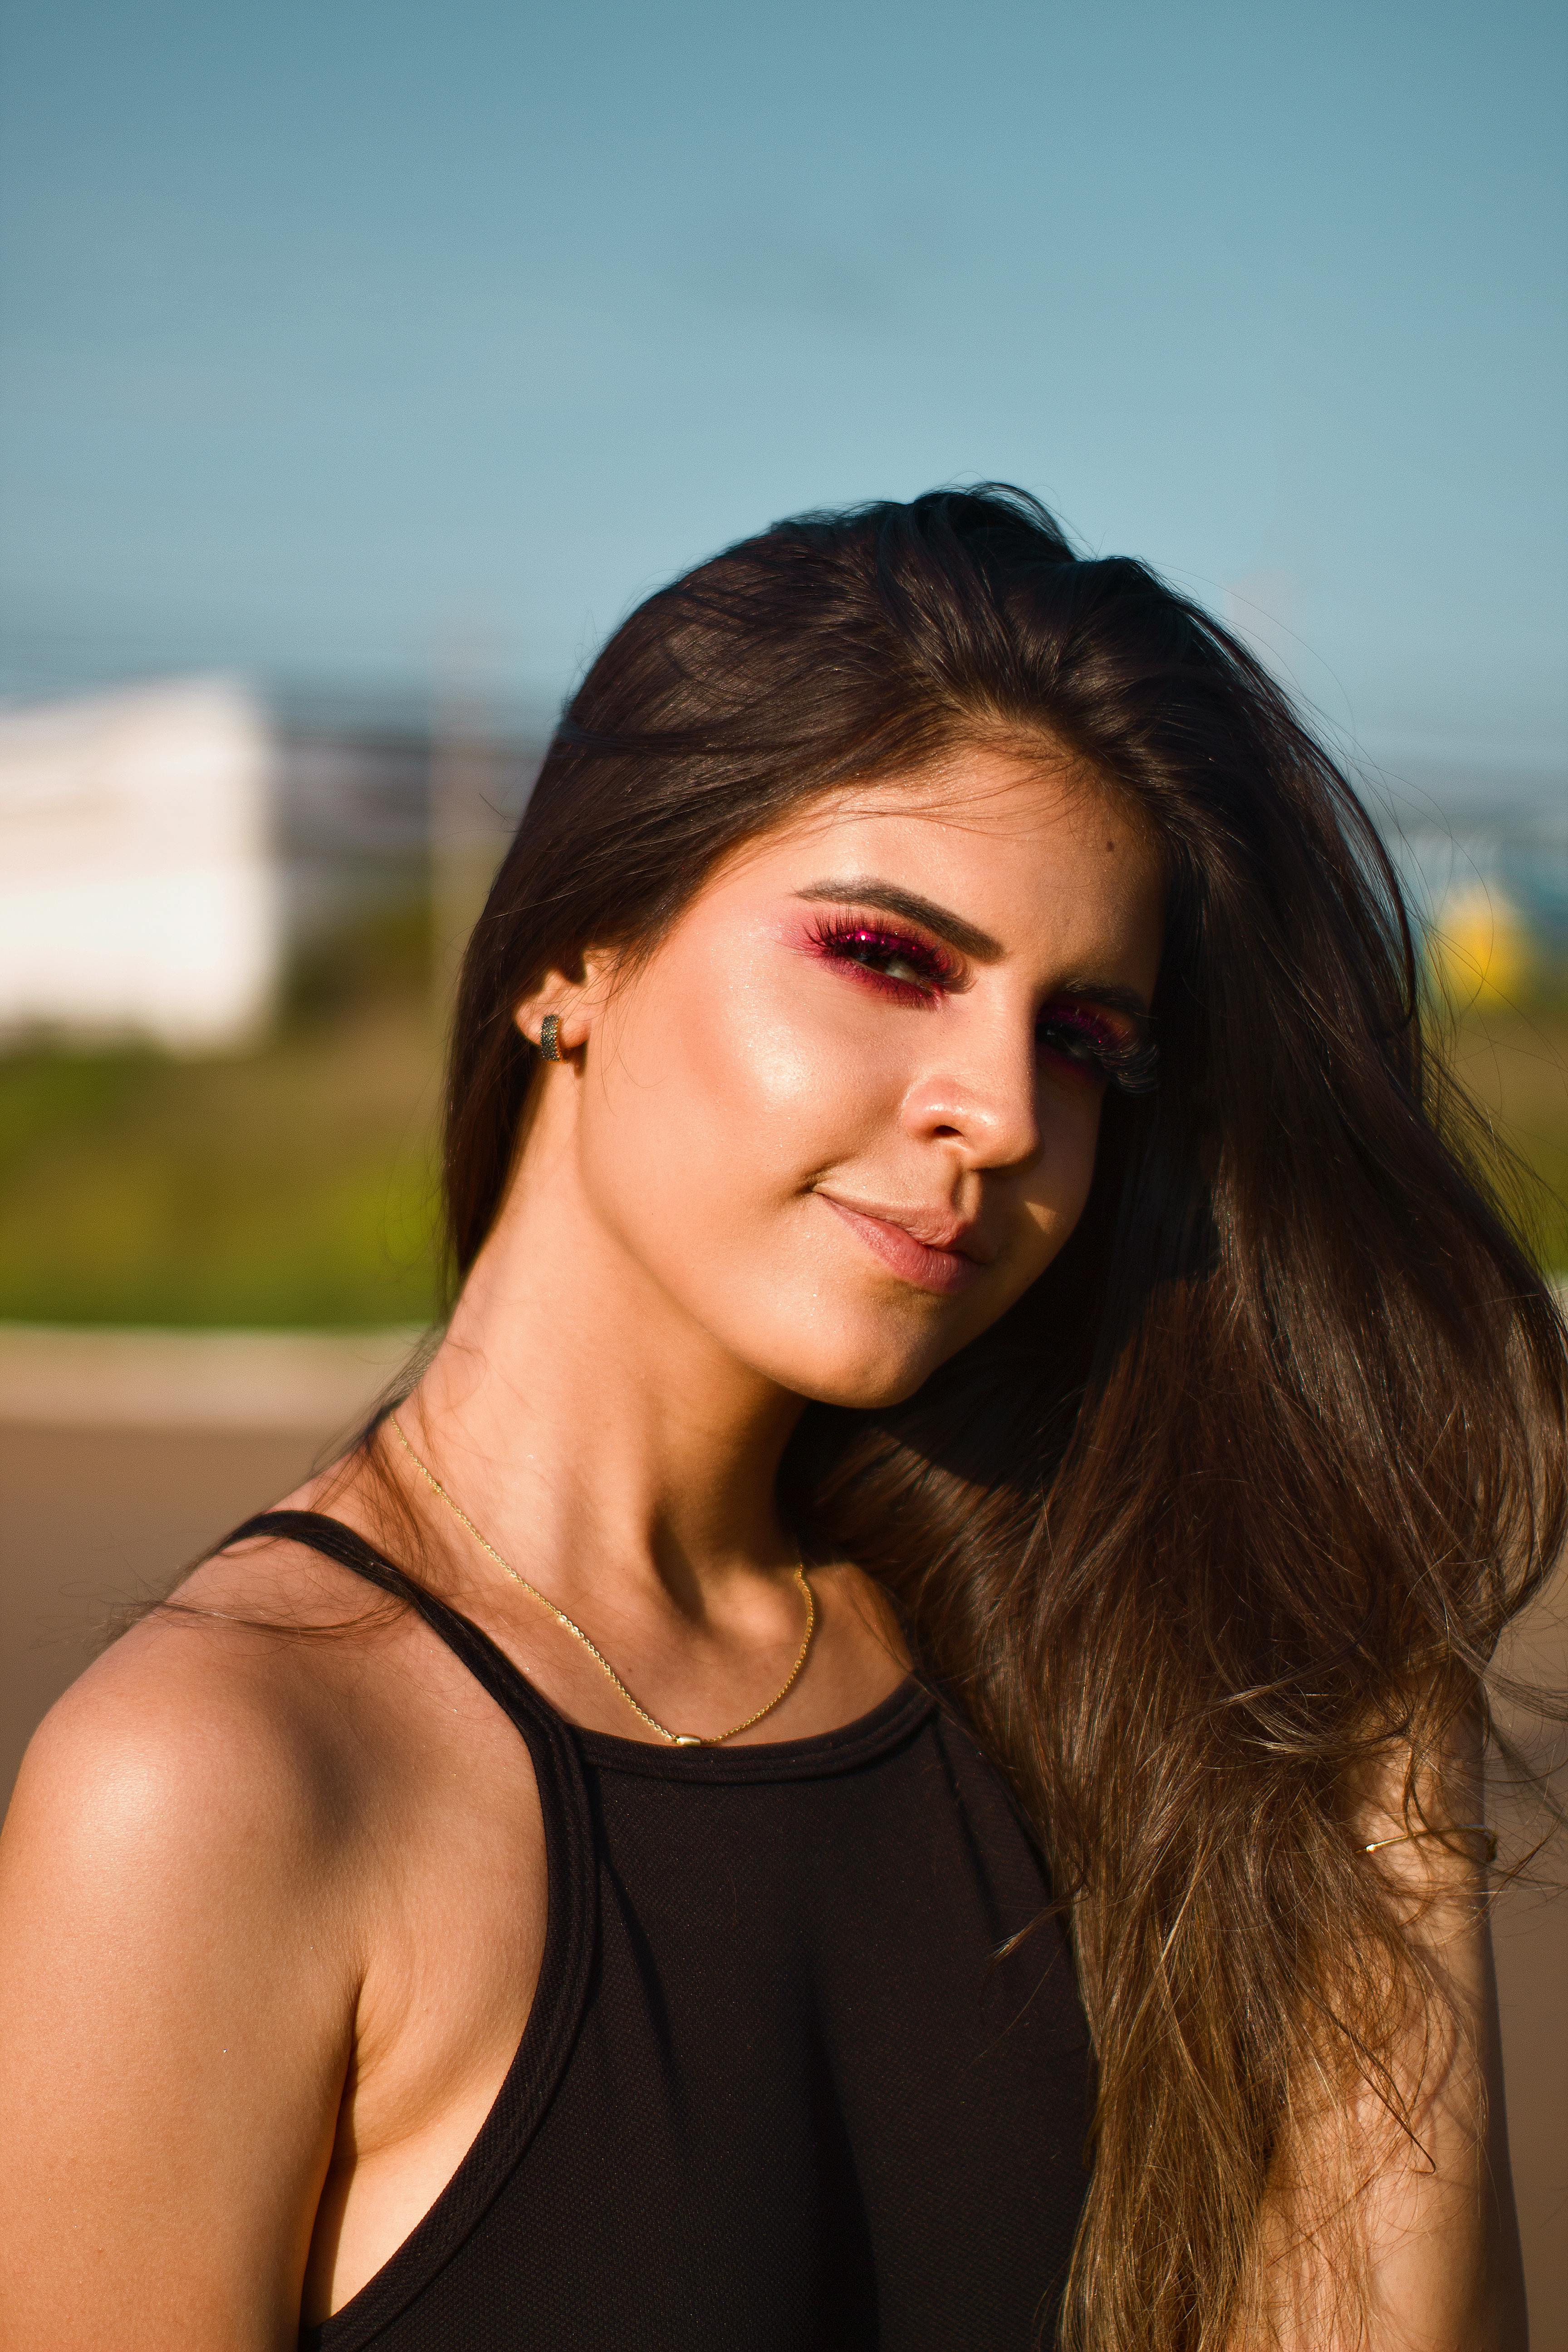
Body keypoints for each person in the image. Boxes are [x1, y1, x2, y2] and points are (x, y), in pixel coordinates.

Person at [0, 488, 1557, 2352]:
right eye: (891, 958)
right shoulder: (219, 1783)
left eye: (1086, 1039)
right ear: (570, 953)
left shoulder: (1068, 1671)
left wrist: (1381, 1736)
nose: (999, 1107)